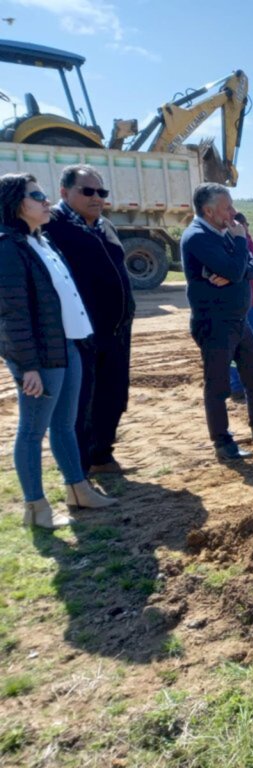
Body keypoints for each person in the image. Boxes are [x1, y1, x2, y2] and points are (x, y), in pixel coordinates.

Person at [0, 173, 116, 527]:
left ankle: (78, 490)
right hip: (40, 356)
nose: (46, 200)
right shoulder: (8, 247)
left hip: (67, 344)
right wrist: (28, 366)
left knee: (66, 425)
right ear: (17, 203)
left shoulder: (42, 242)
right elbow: (11, 313)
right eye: (37, 196)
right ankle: (36, 508)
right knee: (33, 430)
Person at [181, 183, 253, 461]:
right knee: (217, 384)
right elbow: (236, 266)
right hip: (214, 322)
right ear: (208, 210)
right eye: (227, 207)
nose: (233, 212)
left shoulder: (224, 232)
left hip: (237, 320)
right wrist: (239, 252)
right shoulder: (197, 237)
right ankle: (222, 442)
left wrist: (236, 269)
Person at [43, 164, 135, 475]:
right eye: (88, 191)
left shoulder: (105, 226)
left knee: (113, 393)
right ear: (64, 192)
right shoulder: (52, 227)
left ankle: (101, 454)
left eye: (101, 192)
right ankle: (78, 471)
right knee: (82, 400)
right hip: (82, 332)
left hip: (118, 329)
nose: (97, 197)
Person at [228, 212, 253, 401]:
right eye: (242, 225)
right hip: (241, 305)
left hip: (251, 303)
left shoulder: (248, 242)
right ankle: (236, 385)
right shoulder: (234, 244)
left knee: (249, 347)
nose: (245, 228)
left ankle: (241, 384)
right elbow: (246, 270)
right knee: (238, 348)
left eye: (246, 225)